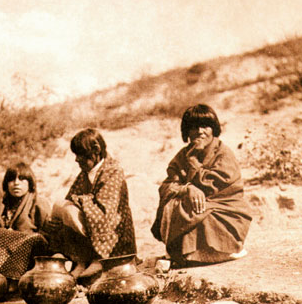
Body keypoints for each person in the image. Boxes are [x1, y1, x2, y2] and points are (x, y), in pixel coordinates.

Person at [151, 104, 252, 266]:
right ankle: (191, 253)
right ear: (187, 132)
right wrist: (188, 189)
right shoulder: (183, 155)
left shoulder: (223, 153)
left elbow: (215, 186)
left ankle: (221, 250)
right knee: (171, 206)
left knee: (196, 212)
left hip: (225, 209)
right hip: (198, 208)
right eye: (193, 127)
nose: (200, 131)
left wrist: (194, 164)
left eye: (205, 126)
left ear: (213, 129)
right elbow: (167, 185)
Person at [47, 128, 137, 283]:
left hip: (114, 233)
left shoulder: (113, 170)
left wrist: (77, 202)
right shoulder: (85, 174)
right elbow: (71, 197)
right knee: (60, 208)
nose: (77, 160)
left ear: (96, 151)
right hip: (92, 227)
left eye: (80, 155)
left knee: (67, 209)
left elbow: (106, 210)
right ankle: (80, 261)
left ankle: (99, 259)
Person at [0, 162, 50, 291]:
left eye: (22, 179)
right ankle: (1, 279)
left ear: (30, 183)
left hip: (30, 259)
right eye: (11, 179)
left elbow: (49, 233)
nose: (16, 183)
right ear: (6, 184)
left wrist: (18, 238)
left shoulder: (38, 203)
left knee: (34, 239)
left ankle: (17, 282)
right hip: (1, 256)